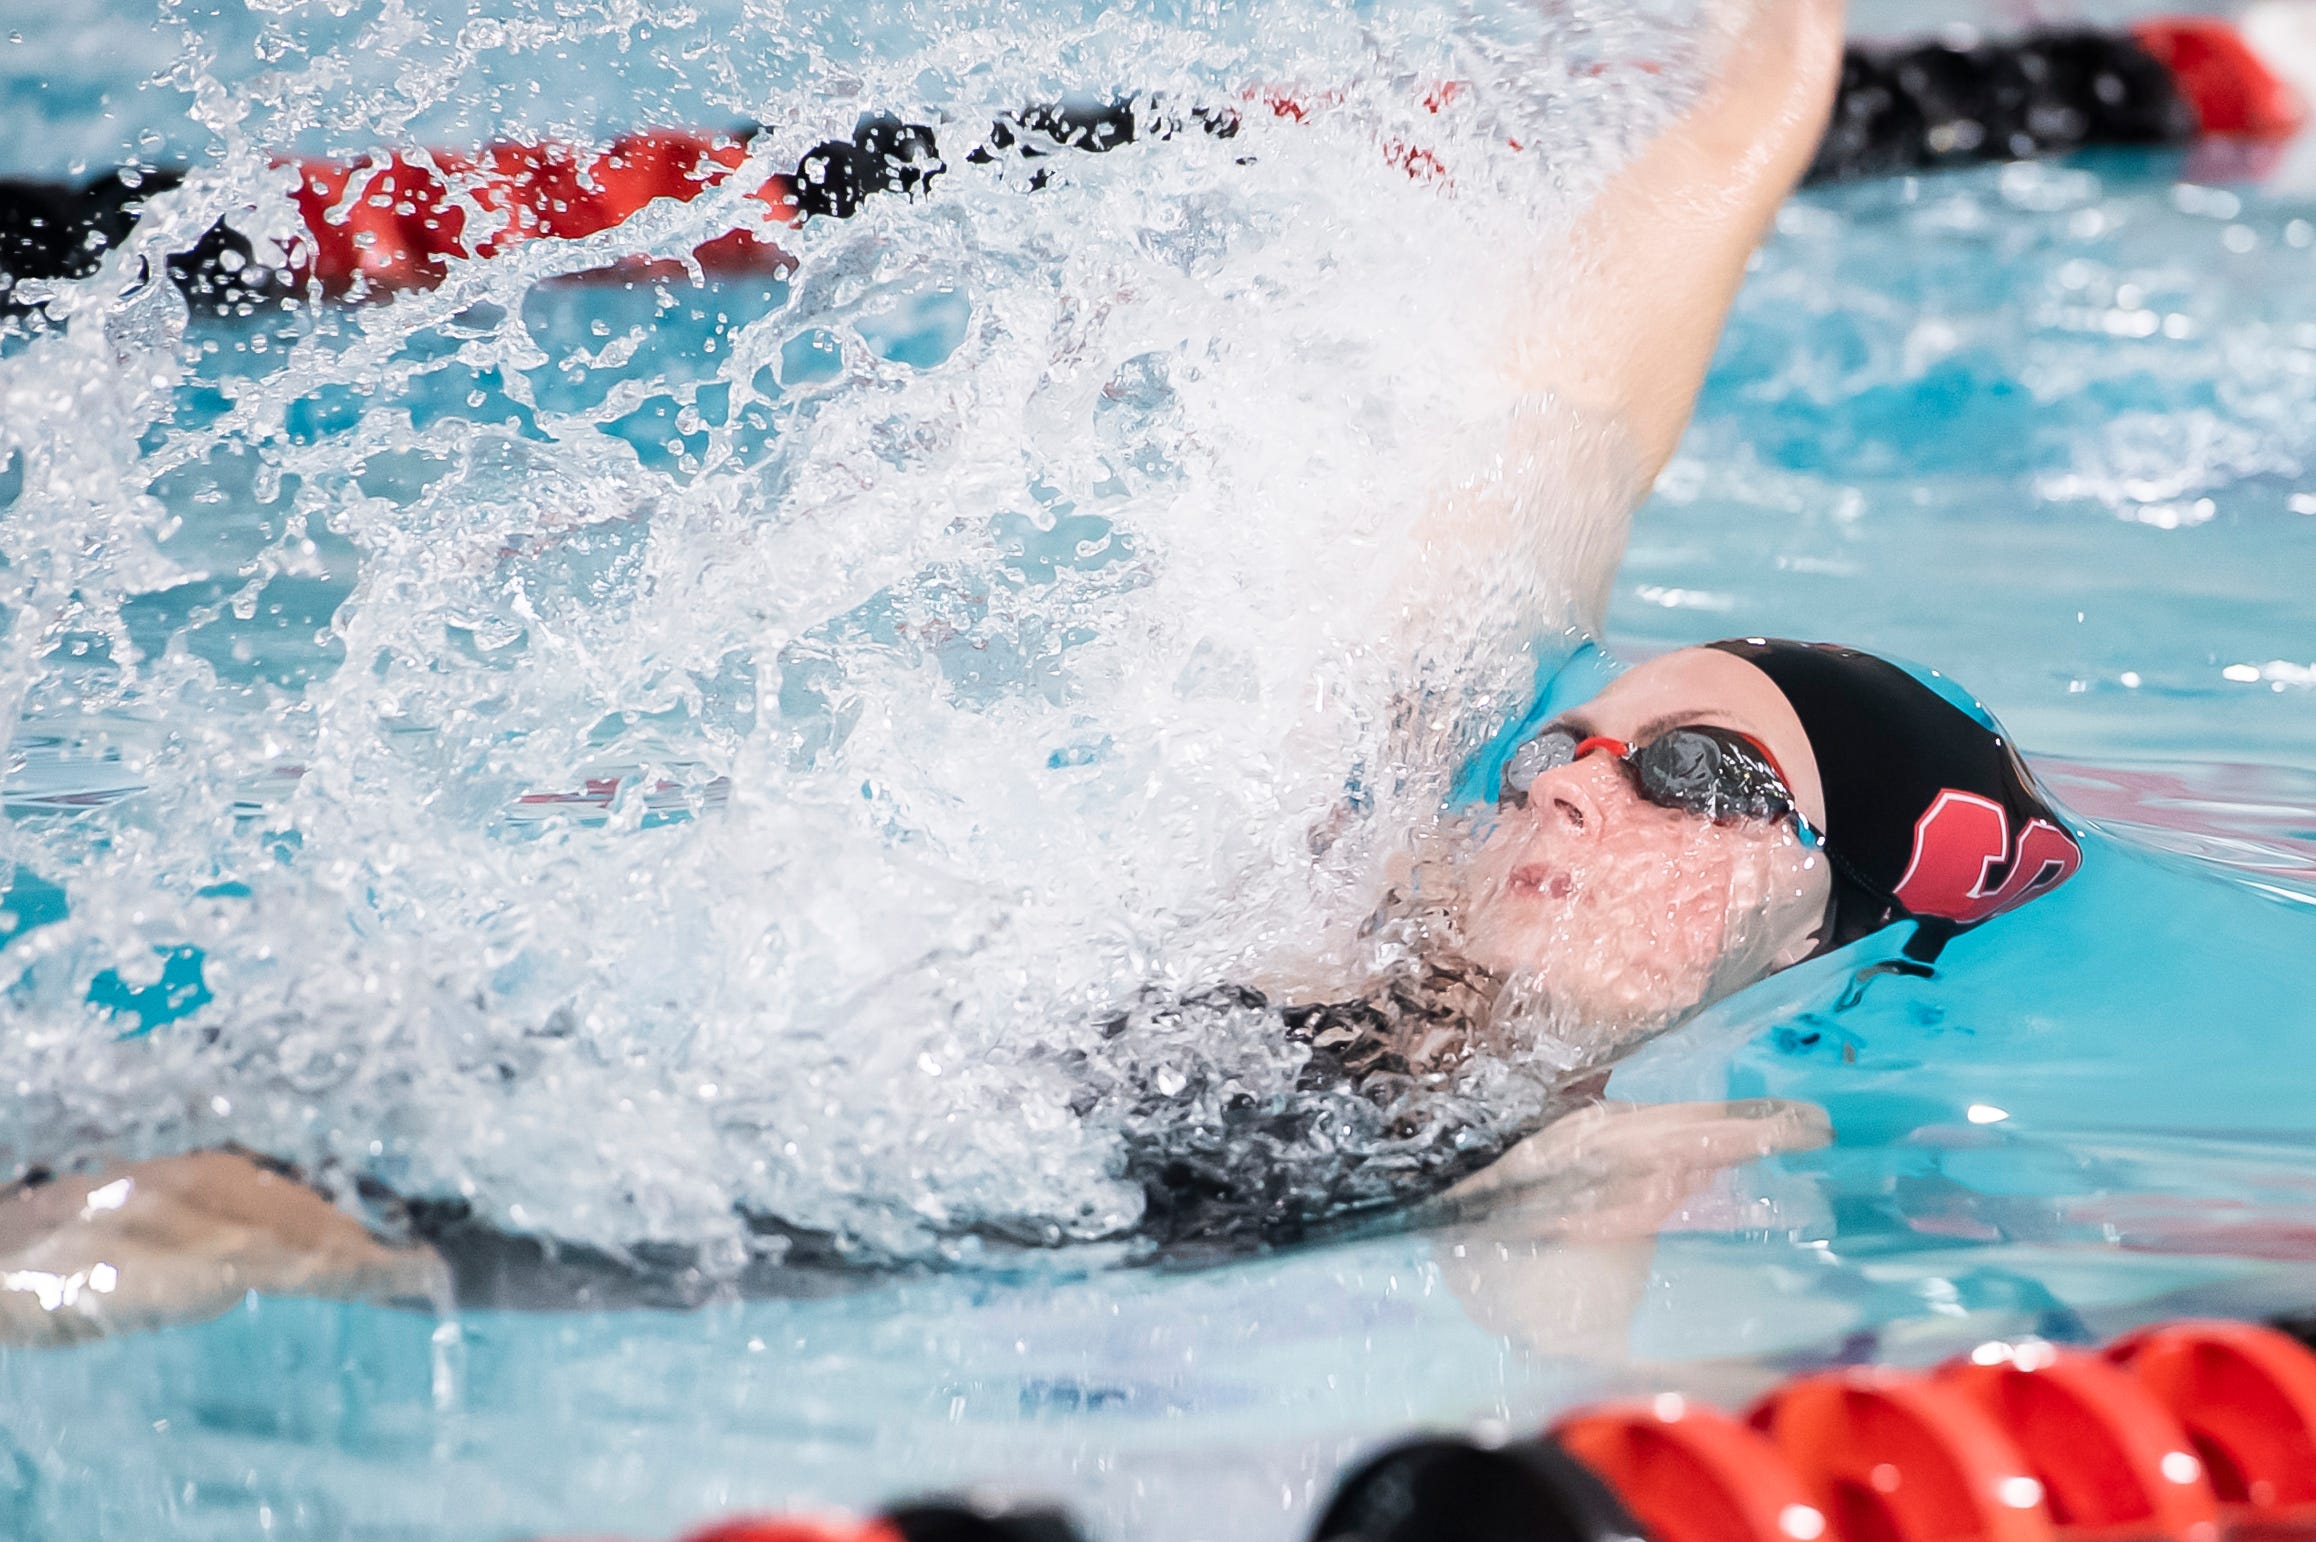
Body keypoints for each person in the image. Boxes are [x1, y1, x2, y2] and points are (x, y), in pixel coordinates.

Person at [0, 0, 2049, 1336]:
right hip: (615, 1132)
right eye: (1569, 740)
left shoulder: (1639, 1147)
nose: (1564, 778)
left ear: (1829, 914)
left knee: (159, 1221)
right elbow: (1547, 441)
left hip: (643, 1232)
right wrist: (1756, 101)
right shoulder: (1329, 886)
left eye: (1687, 775)